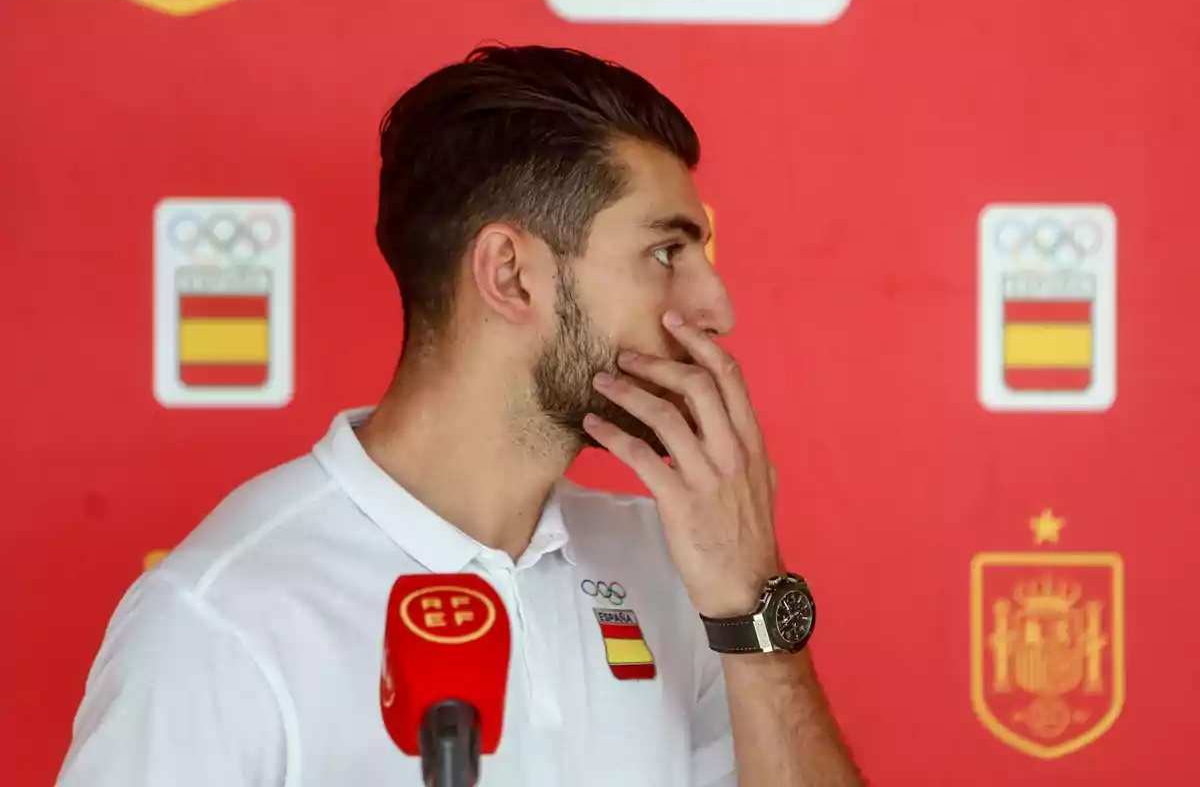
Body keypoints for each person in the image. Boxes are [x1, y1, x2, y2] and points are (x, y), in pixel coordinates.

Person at [57, 44, 863, 786]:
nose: (714, 307)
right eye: (666, 253)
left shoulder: (676, 570)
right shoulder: (222, 618)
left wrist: (753, 608)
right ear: (509, 275)